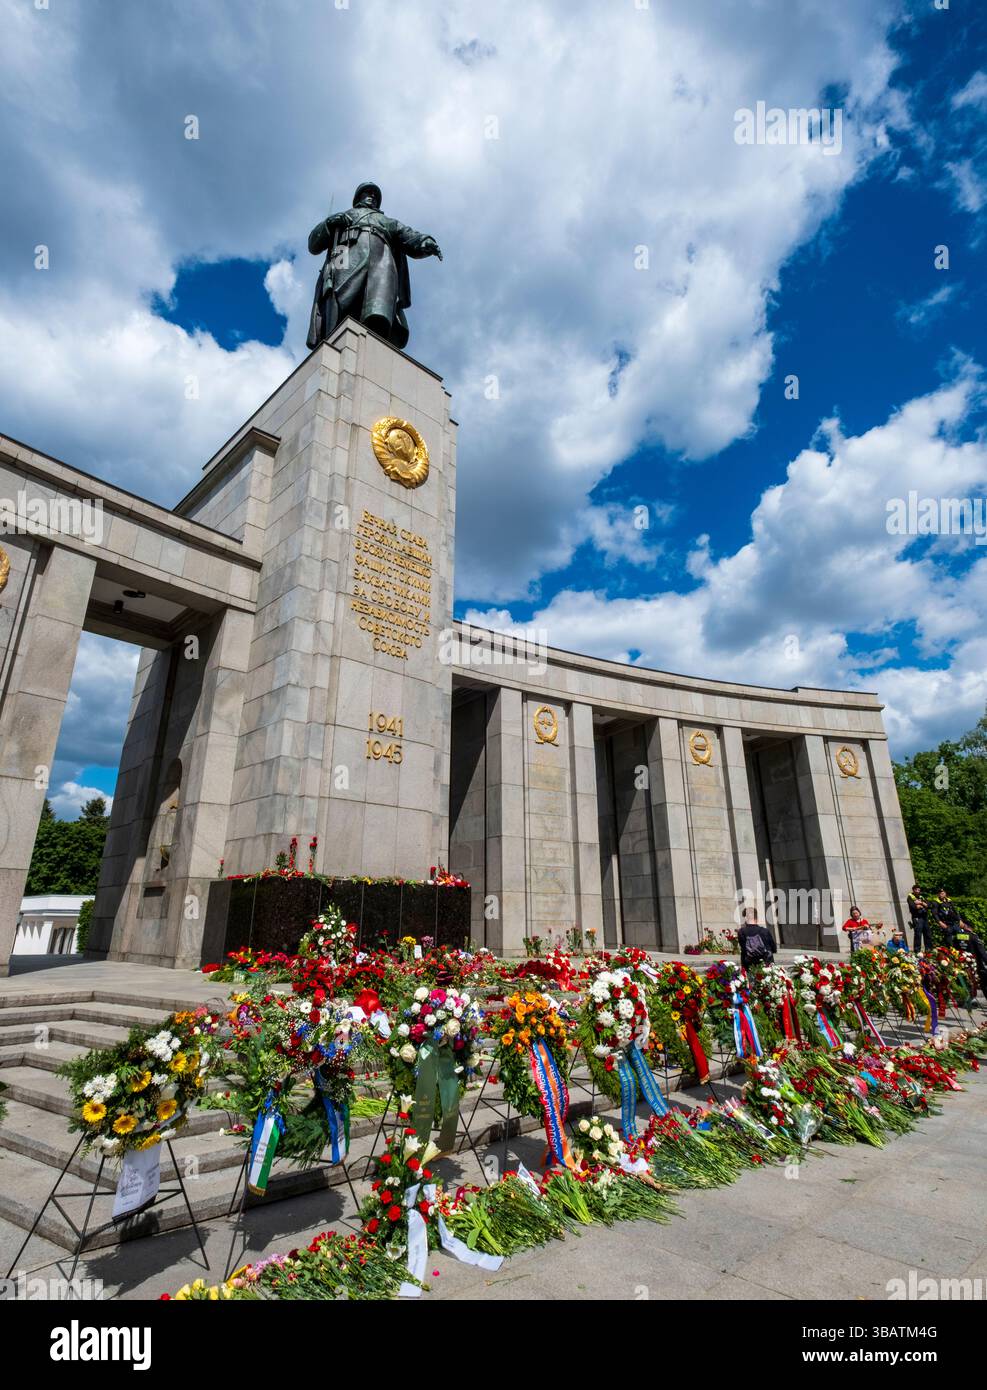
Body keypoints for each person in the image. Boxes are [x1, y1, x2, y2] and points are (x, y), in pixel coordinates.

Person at [907, 886, 932, 953]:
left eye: (919, 890)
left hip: (924, 917)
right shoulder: (910, 897)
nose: (918, 891)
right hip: (917, 917)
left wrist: (921, 903)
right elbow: (913, 906)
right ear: (913, 890)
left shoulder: (921, 897)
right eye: (917, 890)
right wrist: (922, 905)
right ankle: (917, 951)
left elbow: (929, 905)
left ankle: (928, 950)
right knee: (918, 934)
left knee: (927, 933)